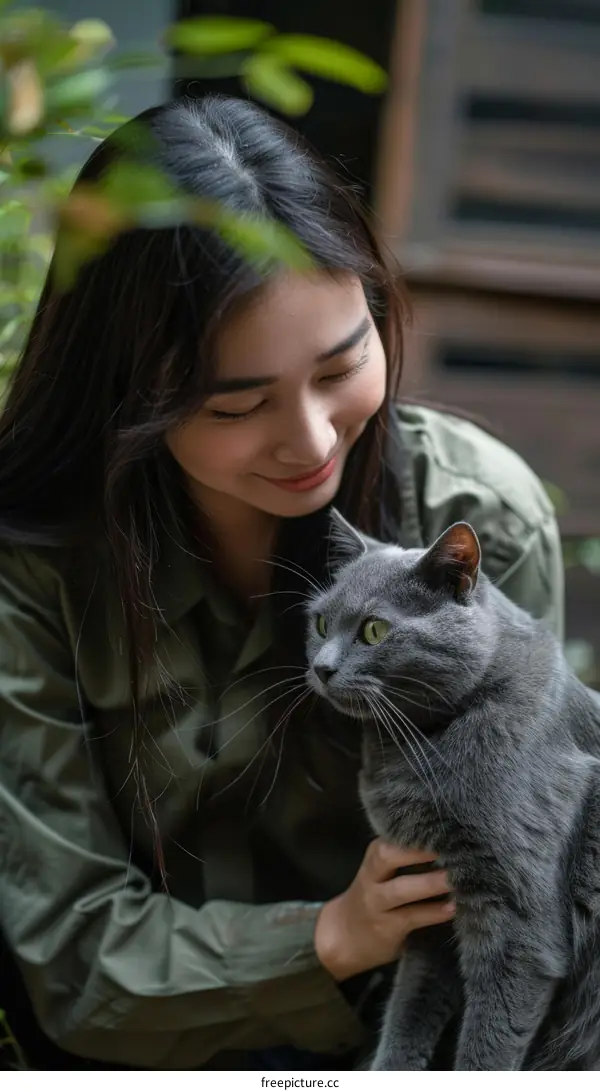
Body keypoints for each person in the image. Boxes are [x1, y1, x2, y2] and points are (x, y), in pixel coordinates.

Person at [0, 95, 564, 1072]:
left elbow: (516, 915)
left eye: (342, 364)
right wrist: (333, 937)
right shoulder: (33, 567)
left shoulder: (477, 515)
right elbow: (67, 955)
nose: (309, 441)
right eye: (237, 403)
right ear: (128, 391)